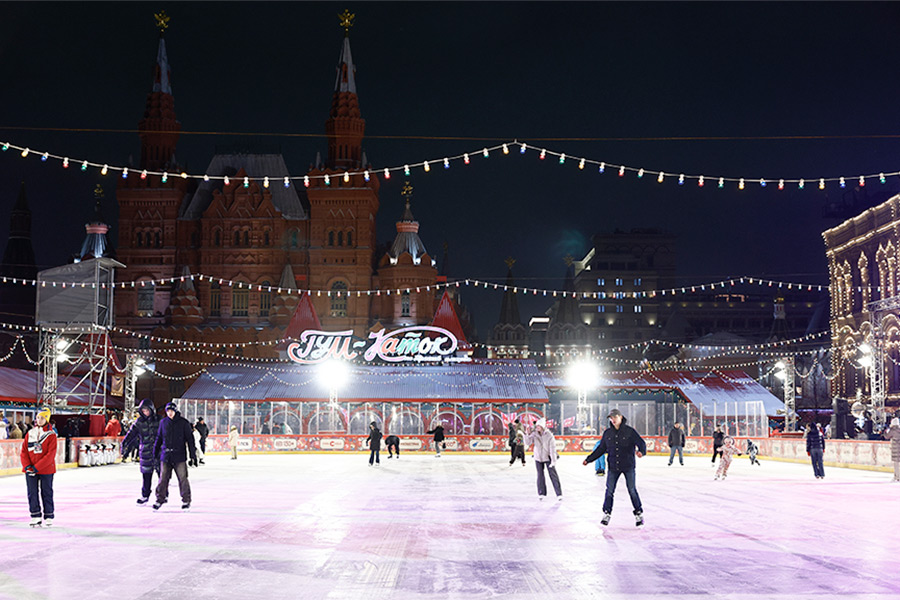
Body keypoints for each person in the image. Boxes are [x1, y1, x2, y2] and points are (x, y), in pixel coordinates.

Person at [584, 408, 646, 527]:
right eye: (611, 418)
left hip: (628, 466)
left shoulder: (630, 431)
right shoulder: (608, 433)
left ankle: (638, 513)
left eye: (615, 417)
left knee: (632, 490)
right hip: (613, 467)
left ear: (621, 417)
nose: (613, 420)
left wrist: (641, 452)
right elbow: (601, 449)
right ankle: (607, 513)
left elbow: (641, 443)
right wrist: (589, 459)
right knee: (609, 490)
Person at [152, 401, 197, 511]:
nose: (169, 413)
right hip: (166, 456)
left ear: (175, 411)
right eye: (168, 411)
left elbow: (190, 440)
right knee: (163, 479)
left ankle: (186, 500)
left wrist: (193, 455)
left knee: (182, 479)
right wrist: (155, 452)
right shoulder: (163, 423)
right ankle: (159, 499)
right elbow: (159, 438)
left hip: (179, 456)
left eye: (171, 411)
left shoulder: (183, 423)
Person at [20, 407, 57, 527]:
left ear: (47, 419)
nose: (39, 420)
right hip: (30, 469)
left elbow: (50, 455)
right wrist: (27, 466)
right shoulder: (31, 433)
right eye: (38, 417)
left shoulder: (51, 435)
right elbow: (24, 451)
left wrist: (37, 467)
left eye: (42, 418)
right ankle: (35, 515)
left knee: (46, 491)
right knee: (32, 492)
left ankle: (49, 515)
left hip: (46, 469)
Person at [121, 398, 161, 505]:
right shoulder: (139, 422)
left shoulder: (159, 420)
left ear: (152, 410)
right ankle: (145, 496)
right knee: (146, 477)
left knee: (163, 476)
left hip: (159, 453)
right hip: (146, 453)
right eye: (143, 411)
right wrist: (124, 444)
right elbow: (131, 434)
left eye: (147, 410)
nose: (146, 413)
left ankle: (161, 496)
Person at [524, 418, 562, 501]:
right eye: (536, 426)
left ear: (543, 426)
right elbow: (527, 443)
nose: (537, 427)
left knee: (553, 475)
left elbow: (552, 449)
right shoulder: (534, 434)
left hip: (547, 457)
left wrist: (553, 461)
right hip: (538, 457)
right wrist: (527, 433)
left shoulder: (549, 436)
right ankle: (541, 493)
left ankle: (559, 493)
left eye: (539, 426)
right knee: (540, 475)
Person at [884, 417, 900, 482]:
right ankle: (897, 476)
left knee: (896, 464)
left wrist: (885, 431)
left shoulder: (892, 430)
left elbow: (886, 436)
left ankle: (897, 477)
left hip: (895, 449)